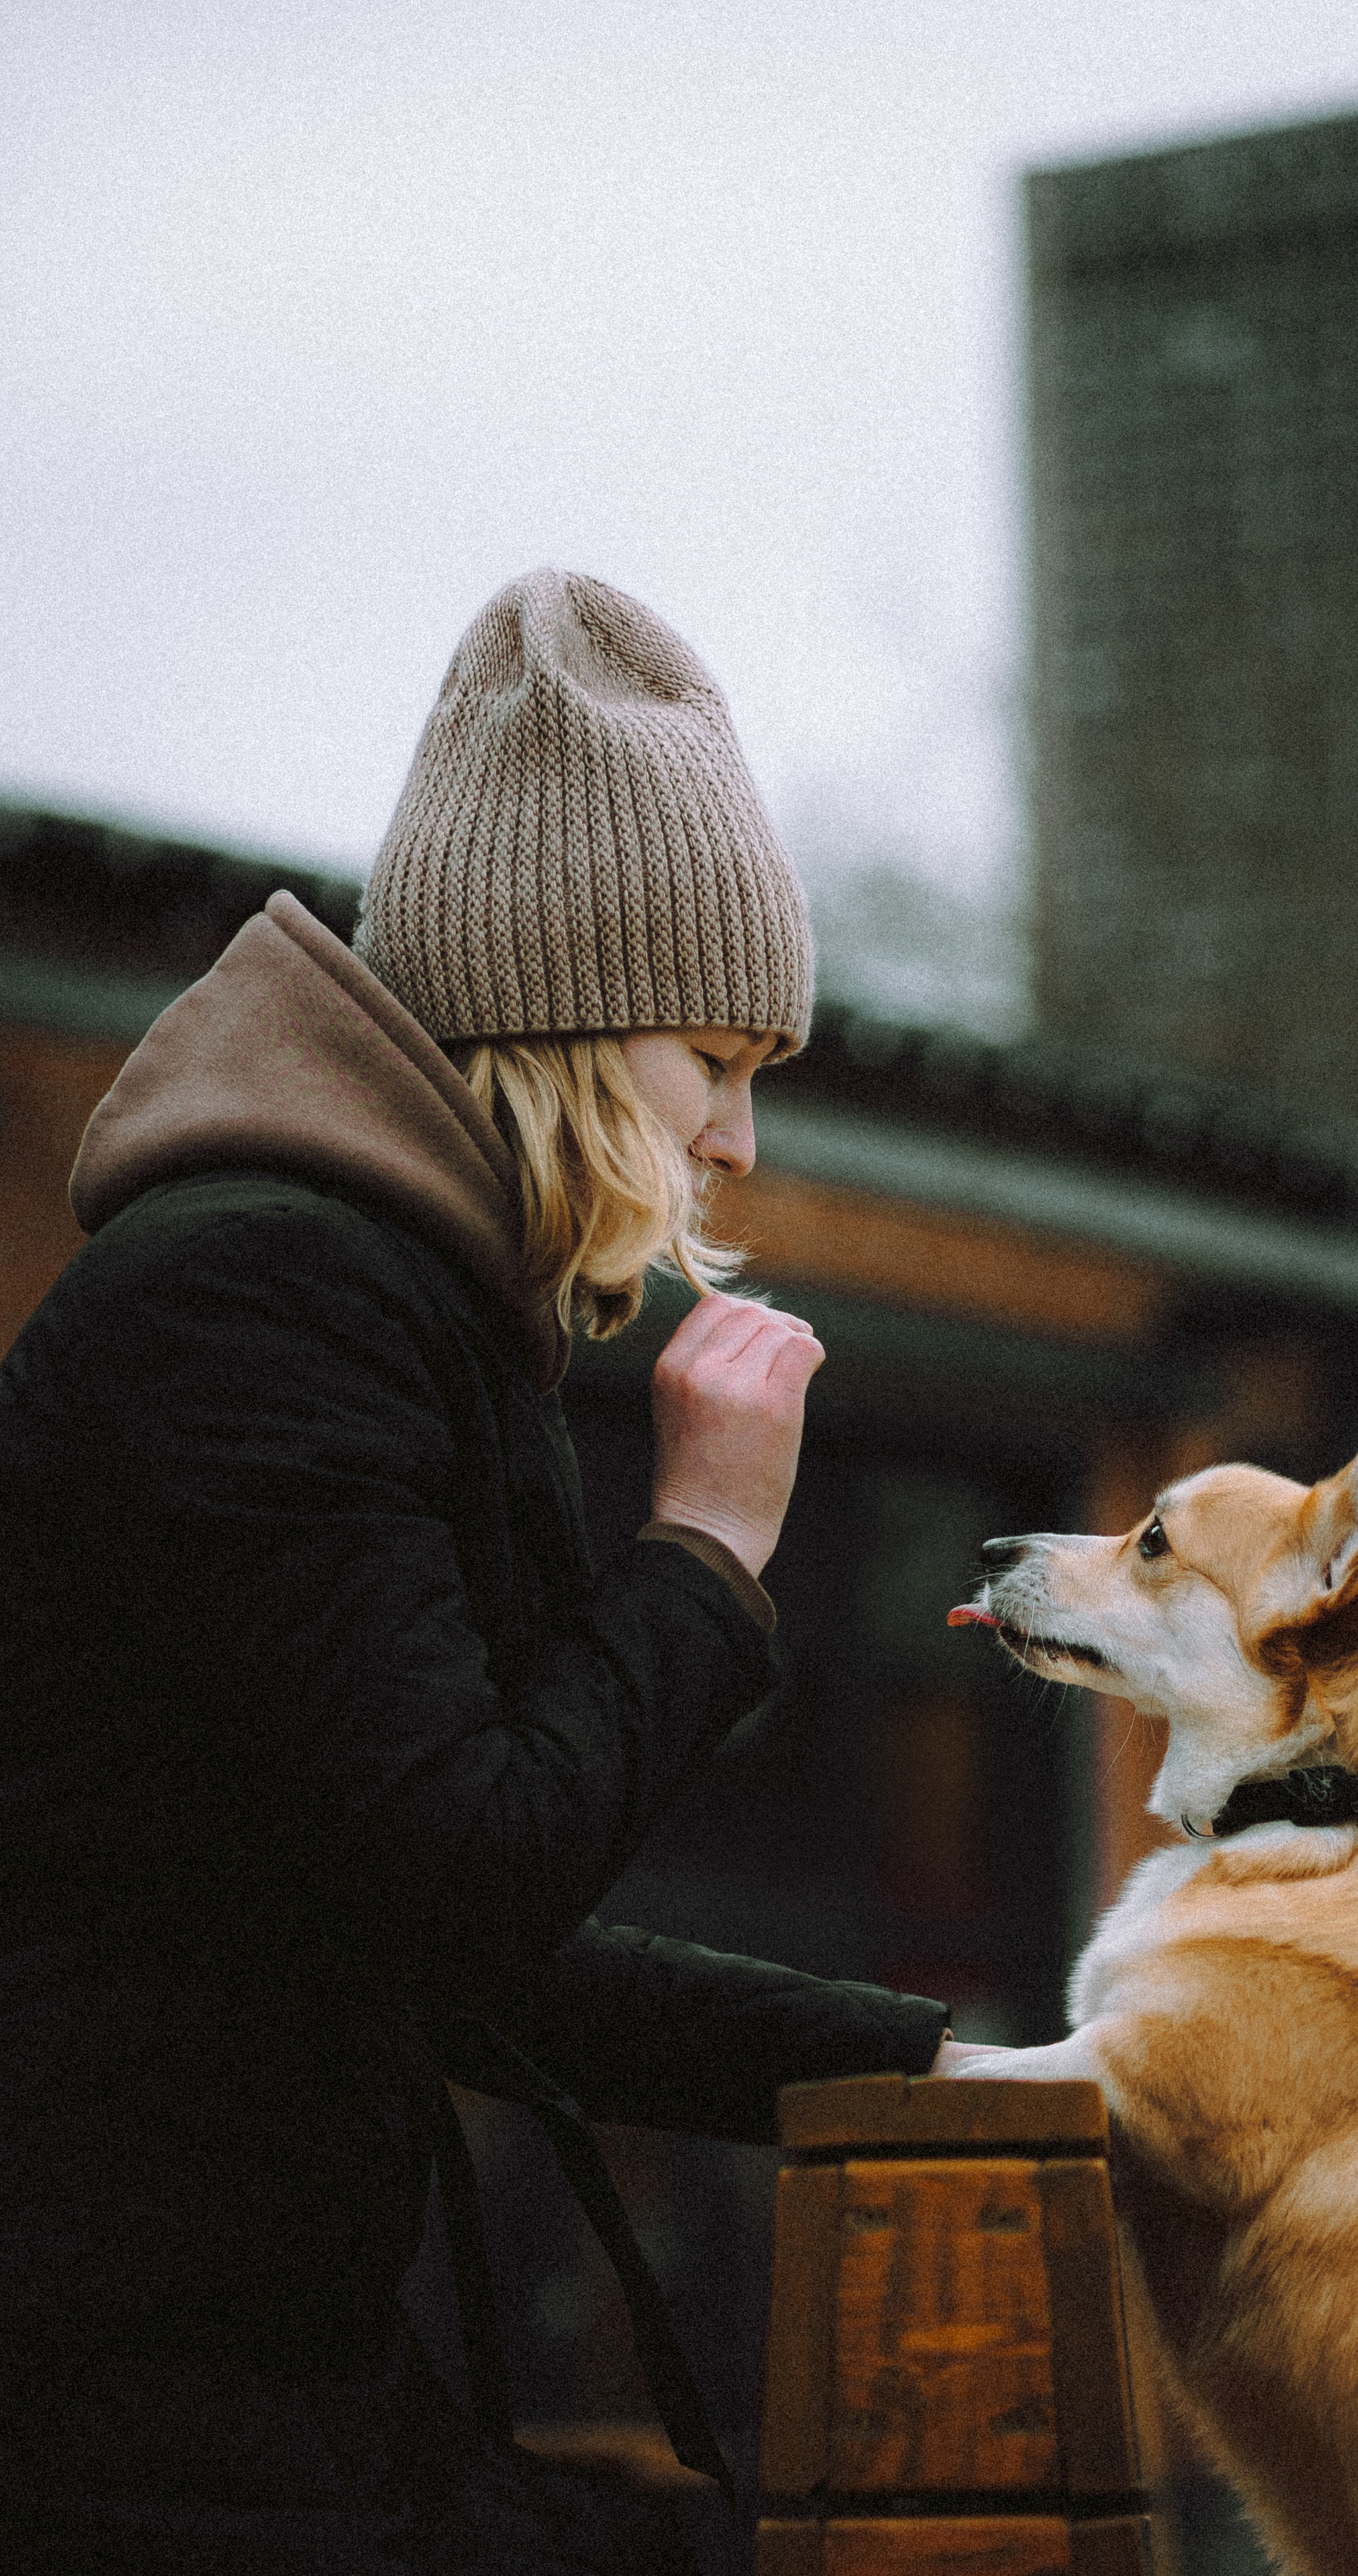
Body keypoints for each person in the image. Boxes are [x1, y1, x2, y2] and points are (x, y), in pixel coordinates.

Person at [0, 570, 980, 2575]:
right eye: (720, 1064)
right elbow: (471, 1864)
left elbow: (448, 1947)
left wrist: (941, 2070)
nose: (741, 1147)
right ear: (578, 1027)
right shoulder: (264, 1302)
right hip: (120, 2409)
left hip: (240, 2380)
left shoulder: (386, 1308)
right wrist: (705, 1552)